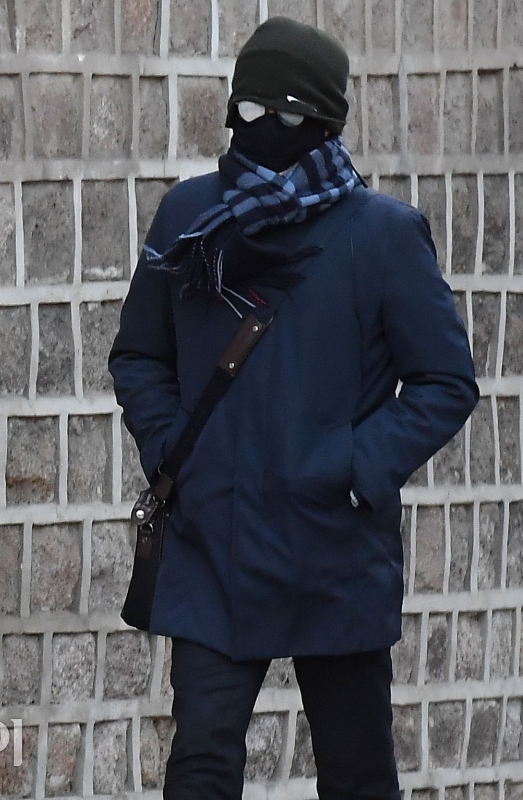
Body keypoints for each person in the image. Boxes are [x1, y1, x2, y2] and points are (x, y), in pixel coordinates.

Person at [108, 16, 479, 799]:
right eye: (249, 109)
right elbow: (139, 354)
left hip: (334, 547)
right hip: (215, 540)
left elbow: (446, 380)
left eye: (285, 113)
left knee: (356, 773)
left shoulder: (383, 234)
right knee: (200, 766)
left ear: (324, 119)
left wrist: (353, 466)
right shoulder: (190, 218)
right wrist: (175, 450)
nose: (263, 127)